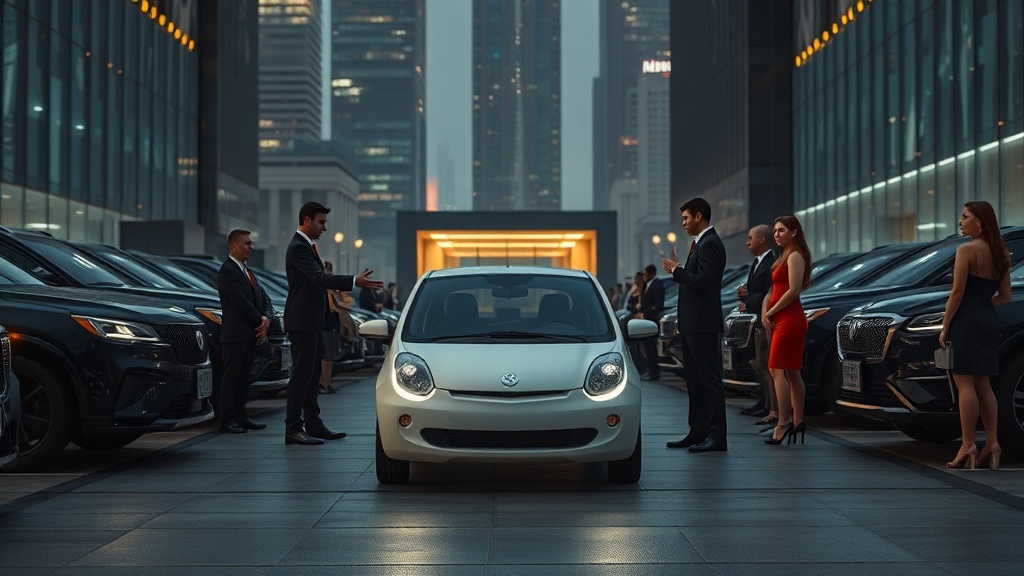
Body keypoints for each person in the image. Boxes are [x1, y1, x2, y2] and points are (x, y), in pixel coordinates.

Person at [283, 201, 382, 445]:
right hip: (302, 322)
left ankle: (313, 424)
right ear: (307, 220)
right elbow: (318, 278)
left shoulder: (308, 247)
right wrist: (354, 281)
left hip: (311, 321)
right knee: (301, 376)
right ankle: (293, 428)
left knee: (311, 374)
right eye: (321, 222)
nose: (324, 227)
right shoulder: (298, 248)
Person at [939, 200, 1012, 470]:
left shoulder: (966, 250)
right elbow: (1005, 297)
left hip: (966, 322)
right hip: (987, 321)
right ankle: (992, 443)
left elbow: (956, 293)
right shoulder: (1002, 253)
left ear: (979, 222)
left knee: (964, 384)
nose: (960, 221)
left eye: (965, 216)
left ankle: (967, 444)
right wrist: (982, 306)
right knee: (984, 384)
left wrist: (945, 326)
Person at [661, 197, 728, 453]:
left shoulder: (710, 244)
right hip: (693, 324)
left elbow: (704, 282)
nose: (684, 223)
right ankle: (698, 431)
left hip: (703, 324)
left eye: (686, 218)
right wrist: (678, 270)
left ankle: (716, 436)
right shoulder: (700, 244)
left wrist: (678, 271)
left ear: (699, 216)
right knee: (695, 381)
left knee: (708, 381)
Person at [215, 229, 272, 434]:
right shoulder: (227, 271)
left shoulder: (247, 271)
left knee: (243, 379)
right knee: (231, 379)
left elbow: (265, 299)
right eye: (247, 243)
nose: (251, 247)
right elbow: (240, 302)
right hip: (235, 335)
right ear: (233, 246)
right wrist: (261, 321)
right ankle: (227, 420)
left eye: (251, 243)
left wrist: (266, 318)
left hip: (250, 334)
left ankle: (241, 416)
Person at [762, 216, 812, 446]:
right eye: (775, 231)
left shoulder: (794, 256)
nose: (776, 234)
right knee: (791, 372)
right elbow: (775, 289)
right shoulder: (785, 256)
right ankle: (798, 420)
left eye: (781, 230)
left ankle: (783, 423)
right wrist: (768, 309)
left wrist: (772, 310)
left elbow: (794, 290)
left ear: (794, 232)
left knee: (776, 369)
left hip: (790, 320)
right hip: (782, 318)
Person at [737, 225, 776, 422]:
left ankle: (772, 407)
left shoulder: (772, 262)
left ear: (761, 240)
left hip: (766, 320)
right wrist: (746, 293)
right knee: (759, 363)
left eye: (750, 239)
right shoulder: (757, 262)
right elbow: (757, 289)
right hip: (757, 320)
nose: (747, 243)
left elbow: (770, 293)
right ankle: (764, 402)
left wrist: (749, 302)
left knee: (766, 364)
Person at [638, 264, 665, 381]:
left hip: (652, 321)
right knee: (648, 349)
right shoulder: (648, 285)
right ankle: (651, 372)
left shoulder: (656, 285)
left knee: (652, 349)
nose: (644, 276)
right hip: (647, 320)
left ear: (650, 274)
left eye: (645, 274)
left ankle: (654, 373)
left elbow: (658, 304)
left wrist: (648, 311)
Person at [318, 260, 340, 395]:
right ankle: (323, 383)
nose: (330, 272)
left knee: (330, 356)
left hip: (333, 323)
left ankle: (328, 383)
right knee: (325, 356)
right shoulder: (322, 287)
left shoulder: (333, 288)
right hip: (325, 323)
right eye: (328, 270)